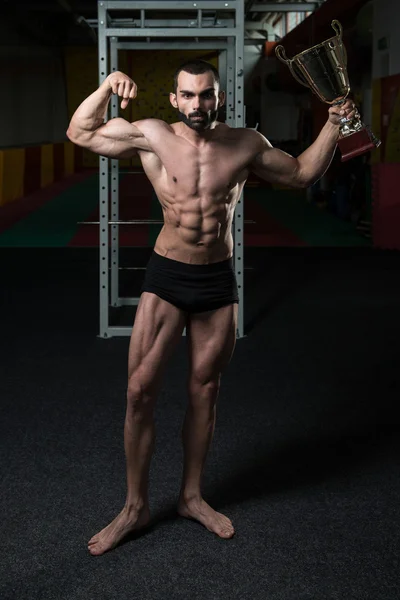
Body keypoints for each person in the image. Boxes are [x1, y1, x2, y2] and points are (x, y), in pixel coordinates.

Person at [67, 59, 356, 556]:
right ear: (174, 99)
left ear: (219, 98)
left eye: (207, 95)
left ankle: (192, 496)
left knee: (206, 391)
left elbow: (303, 173)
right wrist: (105, 86)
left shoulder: (246, 144)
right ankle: (135, 507)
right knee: (139, 393)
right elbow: (80, 131)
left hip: (217, 280)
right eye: (188, 95)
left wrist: (333, 123)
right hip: (167, 275)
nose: (198, 104)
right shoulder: (152, 134)